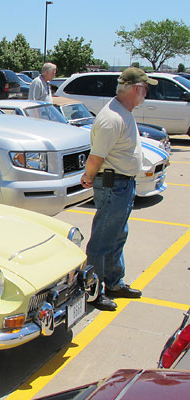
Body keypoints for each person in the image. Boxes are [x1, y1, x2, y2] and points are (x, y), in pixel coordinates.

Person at [80, 67, 157, 311]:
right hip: (113, 185)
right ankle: (93, 291)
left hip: (123, 185)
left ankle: (113, 282)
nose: (146, 93)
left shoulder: (123, 112)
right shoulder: (111, 118)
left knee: (117, 236)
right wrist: (88, 176)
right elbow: (96, 157)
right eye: (145, 89)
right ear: (136, 89)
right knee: (102, 241)